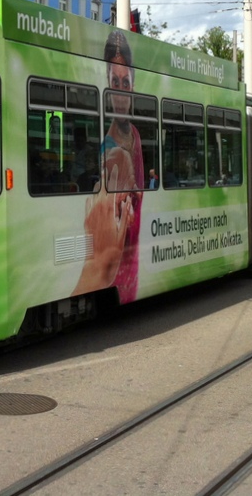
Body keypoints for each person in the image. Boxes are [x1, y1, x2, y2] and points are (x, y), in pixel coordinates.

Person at [75, 29, 144, 302]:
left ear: (132, 87)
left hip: (133, 262)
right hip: (113, 265)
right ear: (106, 84)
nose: (120, 92)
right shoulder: (108, 149)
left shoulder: (137, 136)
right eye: (114, 81)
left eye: (125, 83)